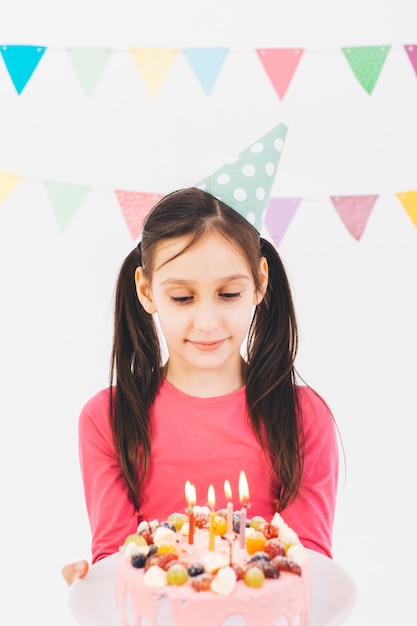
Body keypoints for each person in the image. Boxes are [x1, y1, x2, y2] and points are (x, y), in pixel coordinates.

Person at [62, 187, 339, 585]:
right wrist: (98, 584)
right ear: (146, 291)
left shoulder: (304, 416)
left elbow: (302, 565)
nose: (207, 322)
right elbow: (119, 563)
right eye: (182, 297)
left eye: (228, 294)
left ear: (260, 282)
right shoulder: (107, 419)